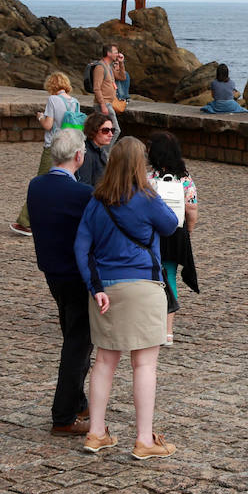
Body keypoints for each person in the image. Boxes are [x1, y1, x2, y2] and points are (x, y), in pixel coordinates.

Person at [73, 136, 181, 459]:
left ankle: (95, 433)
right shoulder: (148, 198)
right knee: (144, 363)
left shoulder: (97, 200)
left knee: (104, 362)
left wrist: (95, 288)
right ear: (139, 166)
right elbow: (171, 224)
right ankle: (144, 439)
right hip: (144, 287)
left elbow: (81, 247)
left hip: (107, 287)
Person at [26, 128, 95, 435]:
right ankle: (64, 414)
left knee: (72, 332)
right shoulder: (83, 194)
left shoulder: (36, 185)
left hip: (52, 271)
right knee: (78, 344)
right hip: (77, 273)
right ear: (79, 157)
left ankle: (78, 400)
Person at [12, 71, 82, 235]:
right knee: (66, 182)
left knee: (40, 182)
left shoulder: (53, 100)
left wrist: (40, 117)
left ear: (51, 85)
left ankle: (25, 221)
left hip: (54, 145)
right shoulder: (75, 102)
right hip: (70, 144)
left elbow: (48, 125)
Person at [148, 131, 198, 346]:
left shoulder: (149, 178)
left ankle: (151, 326)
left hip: (153, 234)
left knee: (152, 278)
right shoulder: (185, 179)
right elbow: (192, 209)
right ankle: (168, 332)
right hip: (176, 233)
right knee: (170, 276)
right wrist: (188, 230)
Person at [90, 44, 123, 141]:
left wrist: (121, 63)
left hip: (108, 104)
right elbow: (96, 88)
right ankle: (104, 154)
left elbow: (122, 77)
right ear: (108, 53)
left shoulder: (109, 67)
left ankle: (100, 153)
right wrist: (103, 105)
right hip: (103, 105)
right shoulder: (100, 67)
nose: (118, 54)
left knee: (101, 132)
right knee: (115, 130)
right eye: (115, 52)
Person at [77, 113, 113, 187]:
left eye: (112, 130)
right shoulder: (86, 153)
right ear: (94, 131)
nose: (111, 134)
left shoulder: (100, 150)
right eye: (105, 130)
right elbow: (85, 185)